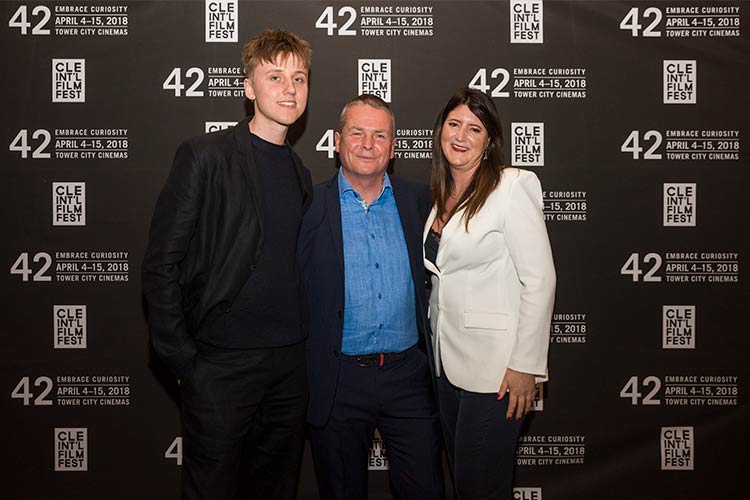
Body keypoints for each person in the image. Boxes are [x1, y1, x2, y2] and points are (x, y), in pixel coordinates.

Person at [142, 29, 313, 500]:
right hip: (221, 366)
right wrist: (186, 365)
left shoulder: (300, 173)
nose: (289, 89)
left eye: (299, 78)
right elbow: (161, 266)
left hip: (289, 366)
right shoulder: (205, 157)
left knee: (275, 489)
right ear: (247, 88)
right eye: (275, 76)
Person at [298, 94, 444, 500]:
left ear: (393, 147)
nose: (367, 144)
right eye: (357, 133)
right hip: (338, 379)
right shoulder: (308, 206)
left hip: (409, 377)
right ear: (336, 140)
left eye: (380, 135)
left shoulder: (421, 201)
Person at [423, 88, 556, 500]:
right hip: (446, 364)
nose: (461, 136)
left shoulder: (512, 186)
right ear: (441, 130)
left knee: (481, 485)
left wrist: (525, 366)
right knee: (465, 481)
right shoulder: (439, 194)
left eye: (474, 128)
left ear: (490, 140)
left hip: (498, 372)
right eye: (454, 124)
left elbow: (540, 279)